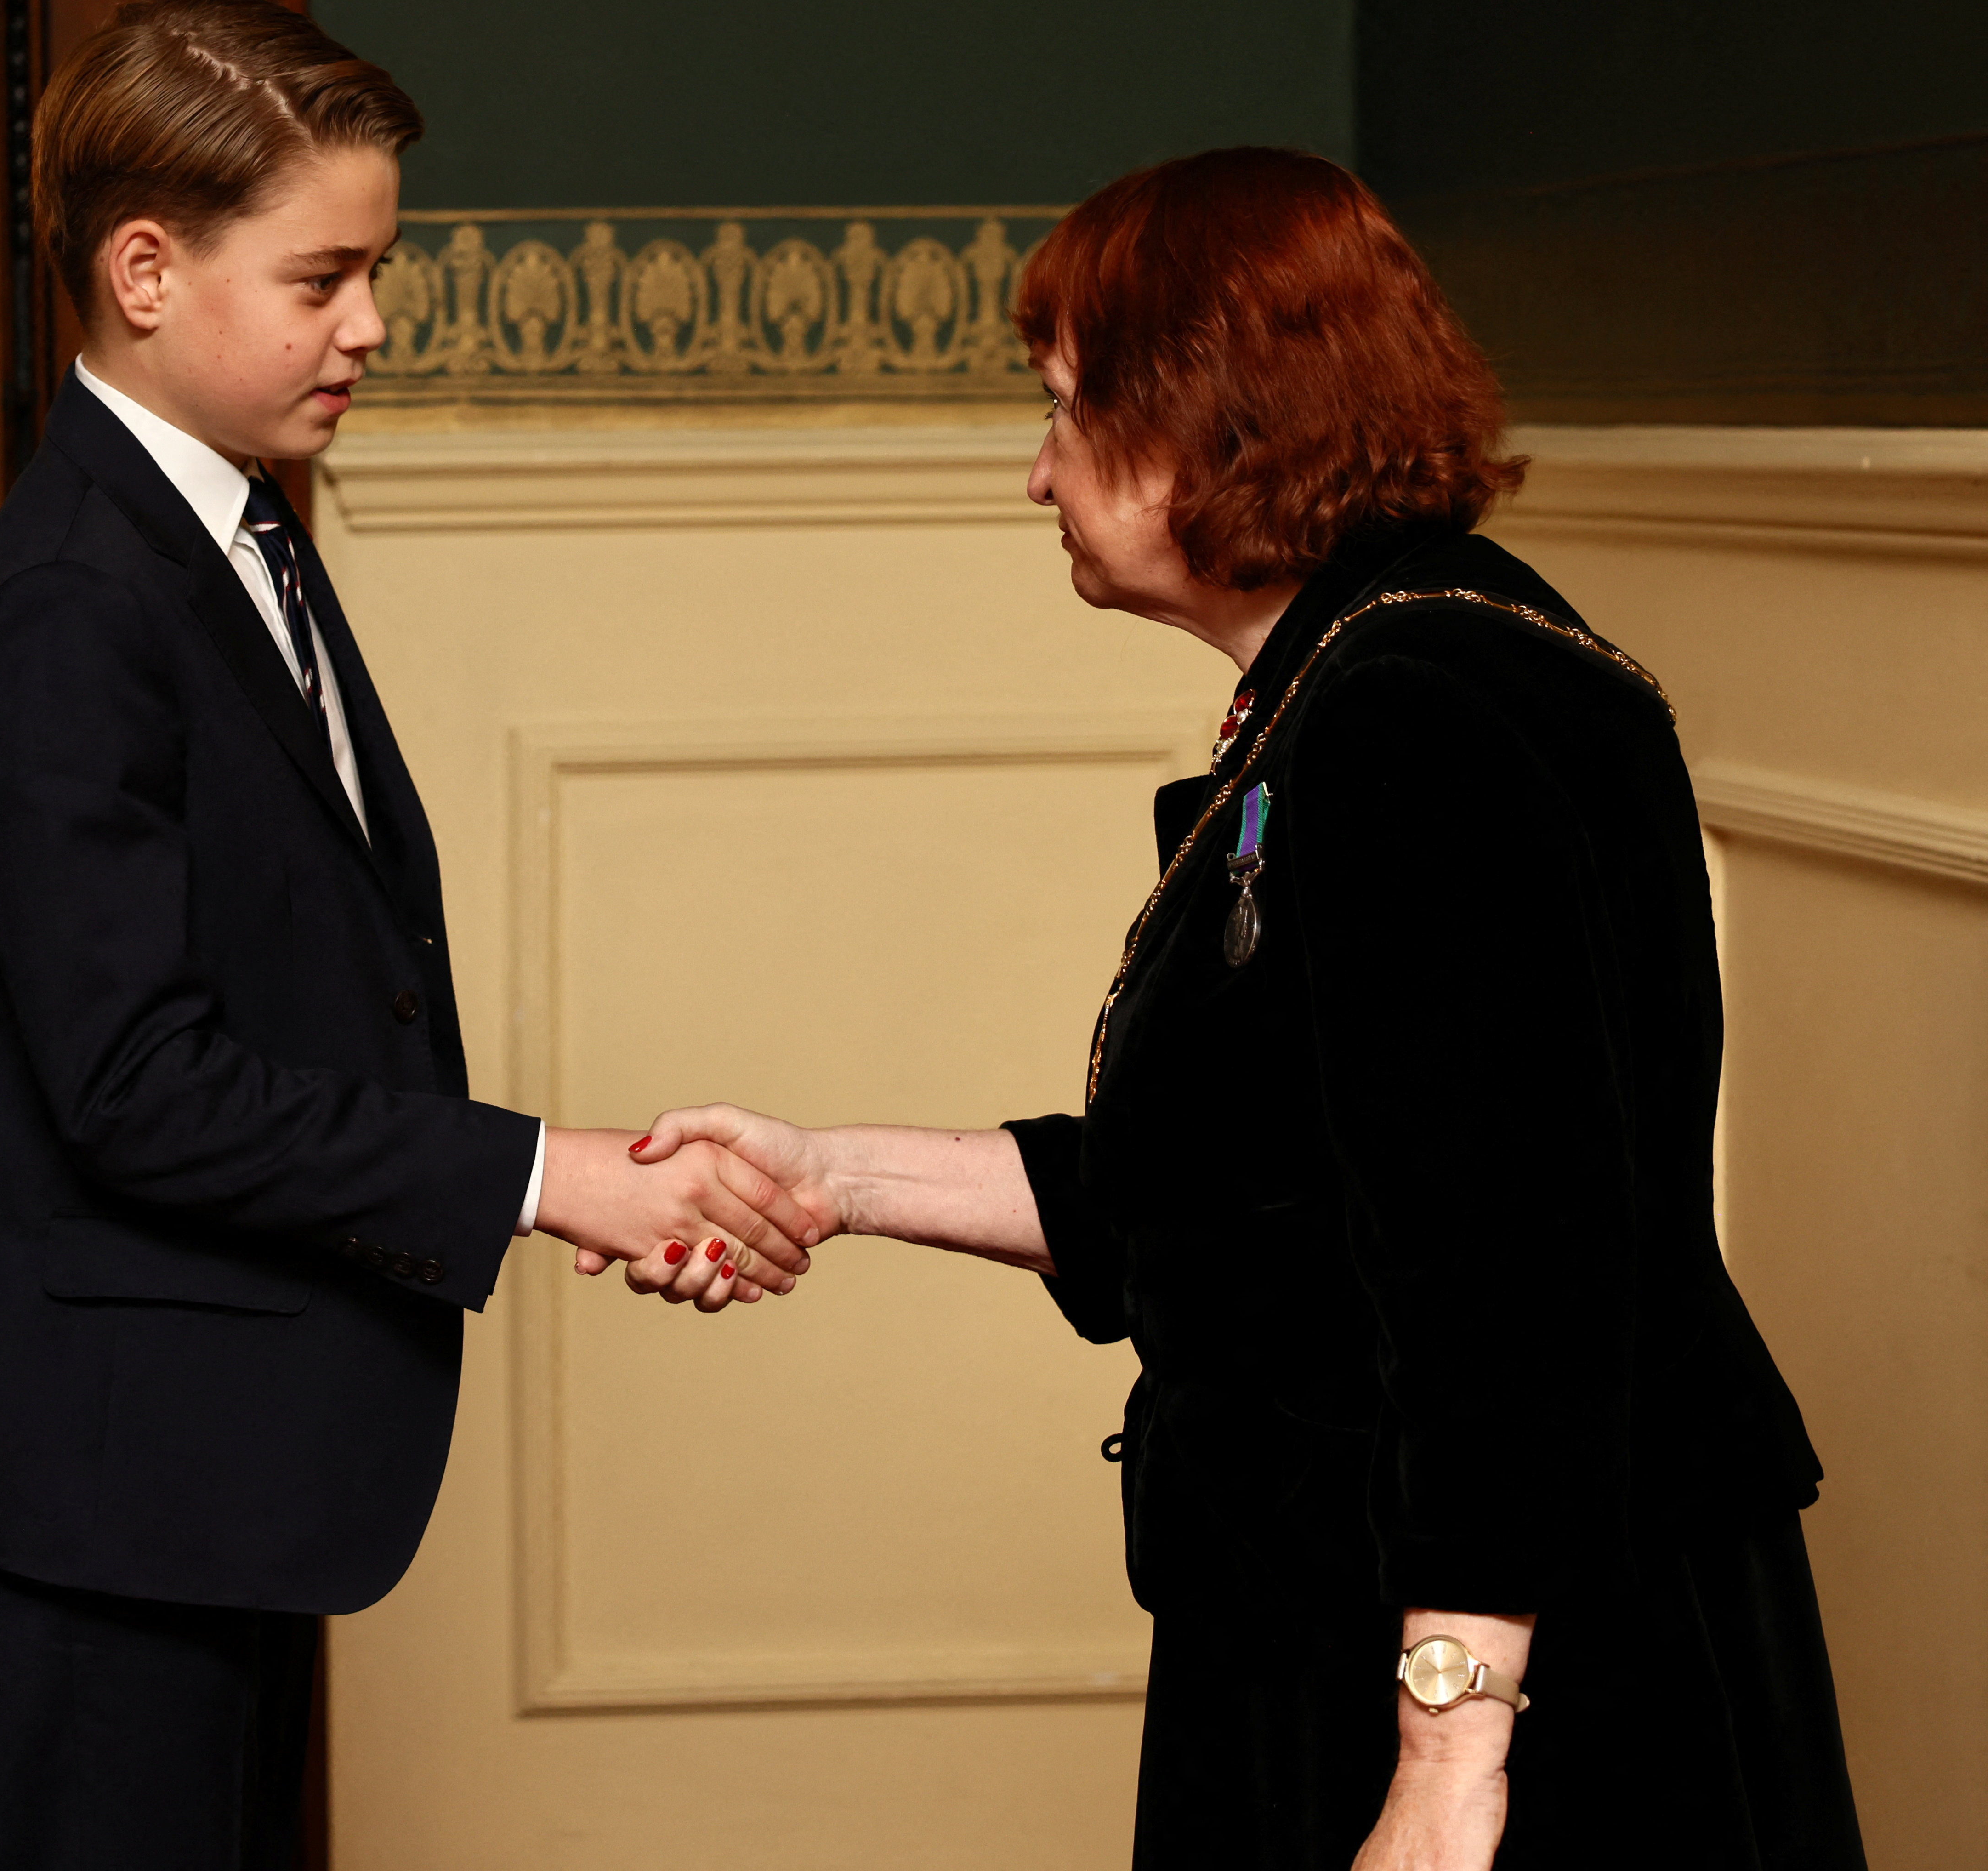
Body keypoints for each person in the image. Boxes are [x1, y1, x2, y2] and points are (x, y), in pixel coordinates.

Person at [625, 148, 1863, 1869]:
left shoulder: (1409, 717)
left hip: (1493, 1663)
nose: (1035, 469)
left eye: (1064, 408)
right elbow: (1229, 1193)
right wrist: (824, 1175)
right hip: (1390, 1608)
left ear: (1212, 415)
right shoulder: (1385, 670)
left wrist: (1445, 1757)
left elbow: (1508, 1268)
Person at [0, 0, 815, 1871]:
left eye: (370, 273)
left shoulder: (232, 531)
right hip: (97, 1485)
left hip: (198, 1467)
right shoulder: (78, 598)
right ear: (143, 270)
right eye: (319, 278)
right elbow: (136, 1084)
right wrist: (549, 1179)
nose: (368, 325)